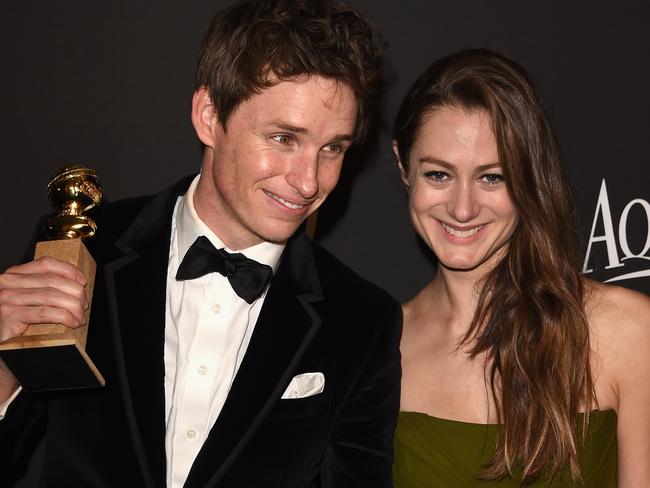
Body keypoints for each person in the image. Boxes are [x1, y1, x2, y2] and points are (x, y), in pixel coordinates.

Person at [0, 1, 402, 486]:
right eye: (283, 138)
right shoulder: (86, 249)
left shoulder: (360, 319)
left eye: (332, 148)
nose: (309, 181)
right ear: (209, 115)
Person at [391, 49, 650, 487]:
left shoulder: (627, 330)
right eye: (438, 174)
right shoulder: (381, 347)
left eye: (493, 177)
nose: (462, 207)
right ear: (403, 167)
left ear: (528, 178)